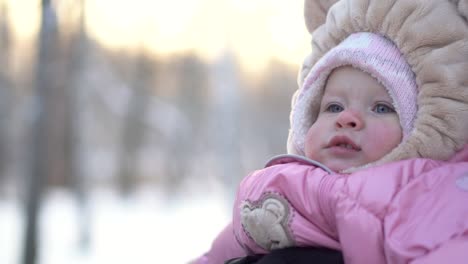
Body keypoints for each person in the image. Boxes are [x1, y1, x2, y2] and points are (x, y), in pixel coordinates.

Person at [192, 0, 468, 263]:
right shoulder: (274, 188)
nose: (348, 118)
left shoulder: (427, 197)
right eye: (334, 107)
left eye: (382, 108)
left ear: (421, 130)